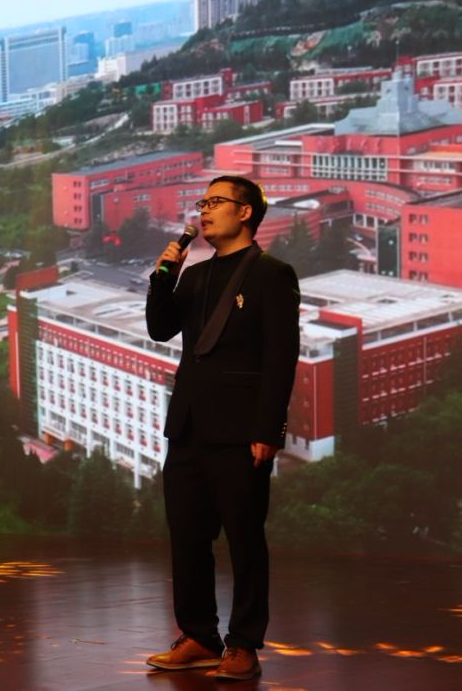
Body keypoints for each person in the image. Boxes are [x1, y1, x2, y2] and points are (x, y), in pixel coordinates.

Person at [143, 176, 300, 681]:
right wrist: (163, 277)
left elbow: (281, 357)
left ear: (246, 212)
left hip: (241, 431)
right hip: (188, 426)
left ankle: (244, 644)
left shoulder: (272, 274)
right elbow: (160, 329)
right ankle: (199, 637)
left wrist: (269, 428)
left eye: (215, 202)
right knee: (187, 538)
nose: (204, 211)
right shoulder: (193, 275)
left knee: (244, 540)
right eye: (202, 202)